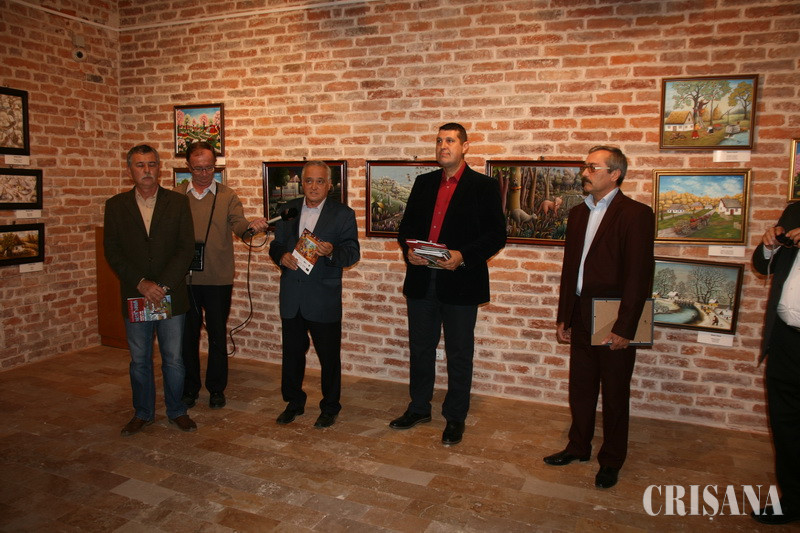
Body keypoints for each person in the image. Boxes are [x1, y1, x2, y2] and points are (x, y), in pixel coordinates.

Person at [388, 122, 506, 446]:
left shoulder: (483, 186)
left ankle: (455, 417)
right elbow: (406, 227)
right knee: (420, 349)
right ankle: (418, 408)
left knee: (459, 353)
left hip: (462, 282)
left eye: (450, 140)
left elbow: (497, 235)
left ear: (464, 147)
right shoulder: (424, 183)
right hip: (422, 281)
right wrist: (409, 250)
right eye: (439, 140)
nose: (443, 146)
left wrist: (462, 256)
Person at [544, 146, 654, 489]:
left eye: (593, 167)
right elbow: (570, 270)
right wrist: (564, 314)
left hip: (613, 312)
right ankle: (578, 446)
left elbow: (639, 276)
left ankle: (612, 459)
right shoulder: (579, 213)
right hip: (580, 310)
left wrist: (626, 327)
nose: (585, 173)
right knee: (581, 387)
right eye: (585, 166)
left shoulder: (636, 214)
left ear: (615, 174)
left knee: (615, 392)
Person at [104, 144, 197, 436]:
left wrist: (163, 285)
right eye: (140, 165)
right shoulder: (116, 205)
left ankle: (177, 410)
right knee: (140, 360)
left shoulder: (178, 202)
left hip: (171, 295)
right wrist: (141, 283)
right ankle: (143, 413)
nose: (146, 170)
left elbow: (185, 248)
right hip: (136, 295)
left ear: (159, 168)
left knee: (174, 359)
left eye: (151, 164)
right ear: (129, 169)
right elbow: (112, 251)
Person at [174, 142, 269, 410]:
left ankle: (216, 389)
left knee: (217, 335)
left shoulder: (227, 196)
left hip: (218, 278)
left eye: (209, 168)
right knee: (187, 338)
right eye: (198, 168)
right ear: (188, 167)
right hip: (185, 279)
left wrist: (252, 227)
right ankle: (189, 389)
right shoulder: (176, 196)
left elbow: (239, 226)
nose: (204, 174)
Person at [268, 161, 360, 428]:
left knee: (329, 357)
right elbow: (275, 245)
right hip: (292, 296)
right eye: (309, 180)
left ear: (329, 185)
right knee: (292, 355)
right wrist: (281, 256)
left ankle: (330, 407)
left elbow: (352, 253)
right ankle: (294, 402)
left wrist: (331, 252)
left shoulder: (343, 214)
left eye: (320, 181)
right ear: (302, 183)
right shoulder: (288, 209)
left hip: (323, 297)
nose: (314, 186)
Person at [751, 204, 800, 525]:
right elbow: (761, 265)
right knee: (786, 427)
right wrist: (769, 246)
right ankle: (793, 500)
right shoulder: (795, 212)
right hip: (785, 340)